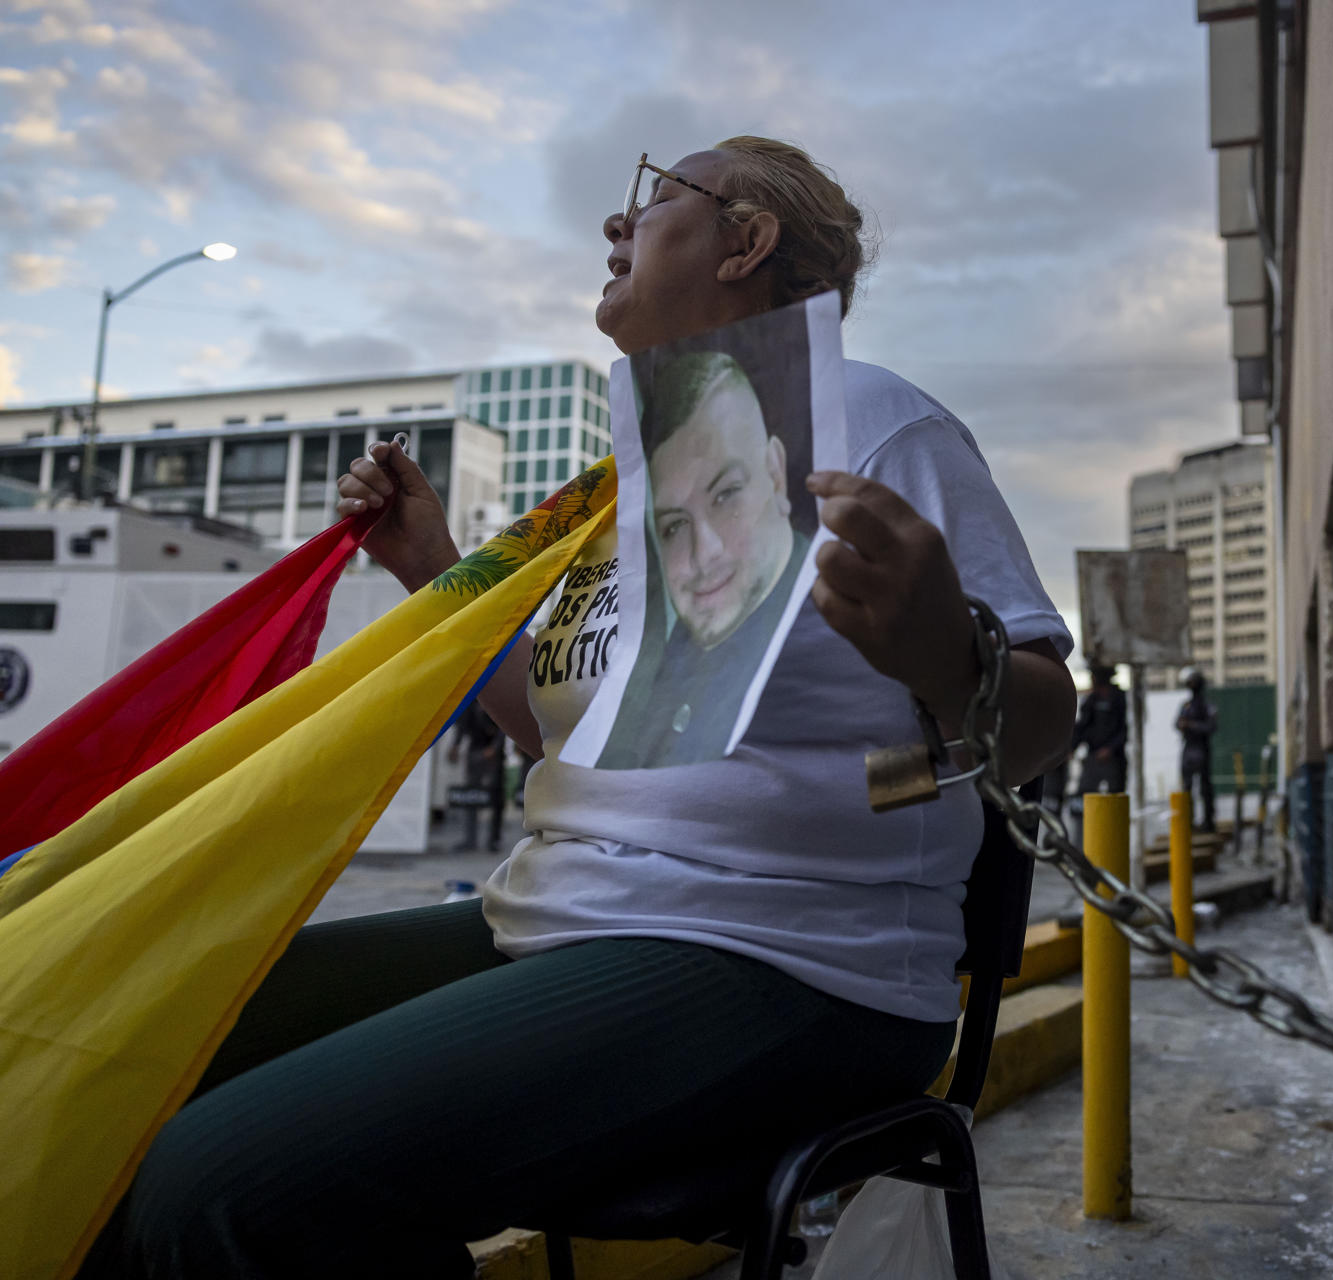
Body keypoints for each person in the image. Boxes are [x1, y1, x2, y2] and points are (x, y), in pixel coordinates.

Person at [82, 136, 1077, 1280]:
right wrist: (432, 565)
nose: (616, 225)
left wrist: (949, 652)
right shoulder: (631, 475)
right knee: (128, 1034)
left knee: (218, 1185)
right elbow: (552, 732)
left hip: (784, 955)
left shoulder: (877, 419)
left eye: (653, 197)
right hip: (557, 915)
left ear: (747, 242)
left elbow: (1041, 719)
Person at [597, 350, 809, 768]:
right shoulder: (667, 657)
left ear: (777, 474)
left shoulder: (844, 624)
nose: (704, 551)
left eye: (726, 494)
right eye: (674, 525)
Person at [448, 703, 507, 852]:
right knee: (471, 795)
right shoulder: (470, 700)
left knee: (495, 798)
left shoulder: (495, 696)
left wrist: (495, 748)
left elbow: (504, 726)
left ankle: (494, 839)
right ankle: (470, 839)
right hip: (475, 749)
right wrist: (455, 745)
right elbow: (462, 725)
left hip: (494, 754)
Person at [1071, 664, 1127, 797]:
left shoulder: (1118, 698)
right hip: (1093, 755)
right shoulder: (1091, 699)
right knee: (1085, 794)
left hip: (1113, 758)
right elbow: (1082, 726)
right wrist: (1072, 748)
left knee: (1113, 797)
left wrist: (1110, 749)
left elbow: (1124, 730)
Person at [1175, 667, 1218, 832]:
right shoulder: (1186, 705)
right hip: (1188, 748)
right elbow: (1177, 723)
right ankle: (1188, 822)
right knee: (1187, 788)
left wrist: (1191, 725)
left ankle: (1208, 822)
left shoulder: (1207, 705)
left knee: (1205, 788)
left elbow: (1211, 727)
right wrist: (1182, 725)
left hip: (1201, 748)